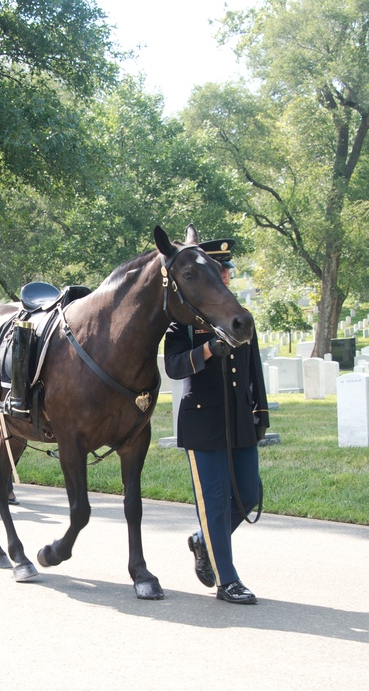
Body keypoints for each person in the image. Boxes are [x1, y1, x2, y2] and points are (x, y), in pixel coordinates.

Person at [164, 238, 269, 605]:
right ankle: (228, 581)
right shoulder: (185, 323)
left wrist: (261, 412)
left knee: (249, 495)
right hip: (203, 423)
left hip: (240, 419)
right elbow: (173, 367)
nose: (224, 273)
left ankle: (202, 539)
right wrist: (208, 349)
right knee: (216, 503)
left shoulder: (236, 314)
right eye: (218, 268)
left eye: (226, 269)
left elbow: (253, 368)